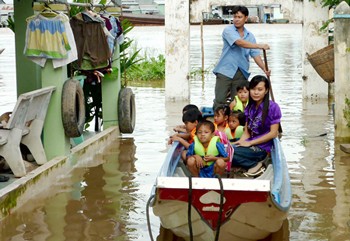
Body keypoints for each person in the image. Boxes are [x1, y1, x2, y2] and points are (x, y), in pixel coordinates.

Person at [212, 5, 270, 110]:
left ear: (246, 18)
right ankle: (218, 122)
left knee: (239, 100)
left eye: (239, 17)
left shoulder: (250, 36)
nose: (236, 20)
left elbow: (255, 55)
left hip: (241, 72)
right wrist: (259, 45)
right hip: (225, 70)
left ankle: (238, 123)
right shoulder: (228, 31)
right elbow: (239, 42)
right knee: (220, 99)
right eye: (235, 17)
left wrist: (264, 69)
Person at [232, 75, 281, 176]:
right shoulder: (250, 107)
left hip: (262, 148)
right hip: (251, 144)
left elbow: (273, 133)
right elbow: (247, 132)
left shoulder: (273, 107)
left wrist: (250, 143)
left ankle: (254, 164)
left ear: (266, 90)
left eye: (260, 89)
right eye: (253, 89)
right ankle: (244, 163)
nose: (256, 92)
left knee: (227, 152)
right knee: (224, 148)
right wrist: (240, 142)